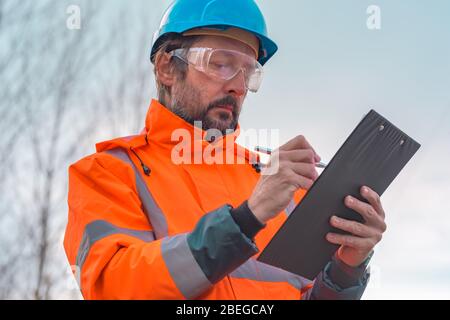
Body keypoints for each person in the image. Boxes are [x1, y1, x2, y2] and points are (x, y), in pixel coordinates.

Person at [64, 0, 387, 300]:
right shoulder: (109, 173)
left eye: (249, 72)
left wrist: (348, 266)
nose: (239, 86)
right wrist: (246, 219)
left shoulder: (281, 185)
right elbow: (114, 287)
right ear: (166, 67)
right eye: (220, 64)